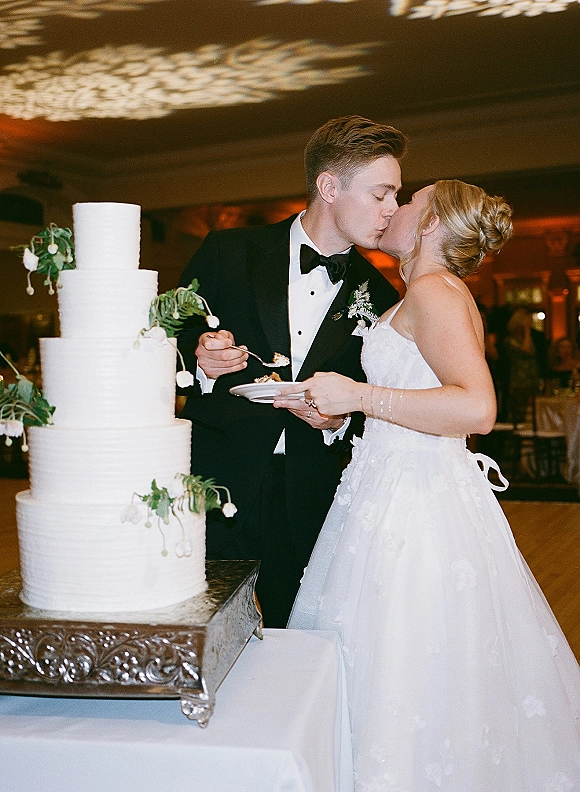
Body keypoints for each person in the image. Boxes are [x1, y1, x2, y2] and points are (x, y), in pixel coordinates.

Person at [283, 180, 580, 790]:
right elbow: (419, 396)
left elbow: (476, 410)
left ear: (433, 222)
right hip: (387, 487)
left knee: (403, 657)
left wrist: (360, 395)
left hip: (415, 503)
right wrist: (342, 410)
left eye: (407, 200)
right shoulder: (420, 292)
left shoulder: (434, 290)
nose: (393, 208)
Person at [177, 115, 407, 627]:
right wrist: (200, 357)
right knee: (199, 621)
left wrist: (337, 422)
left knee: (292, 630)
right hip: (219, 477)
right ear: (329, 186)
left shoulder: (384, 297)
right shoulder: (228, 251)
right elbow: (162, 338)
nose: (393, 210)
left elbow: (382, 400)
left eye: (395, 195)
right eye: (381, 194)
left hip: (311, 490)